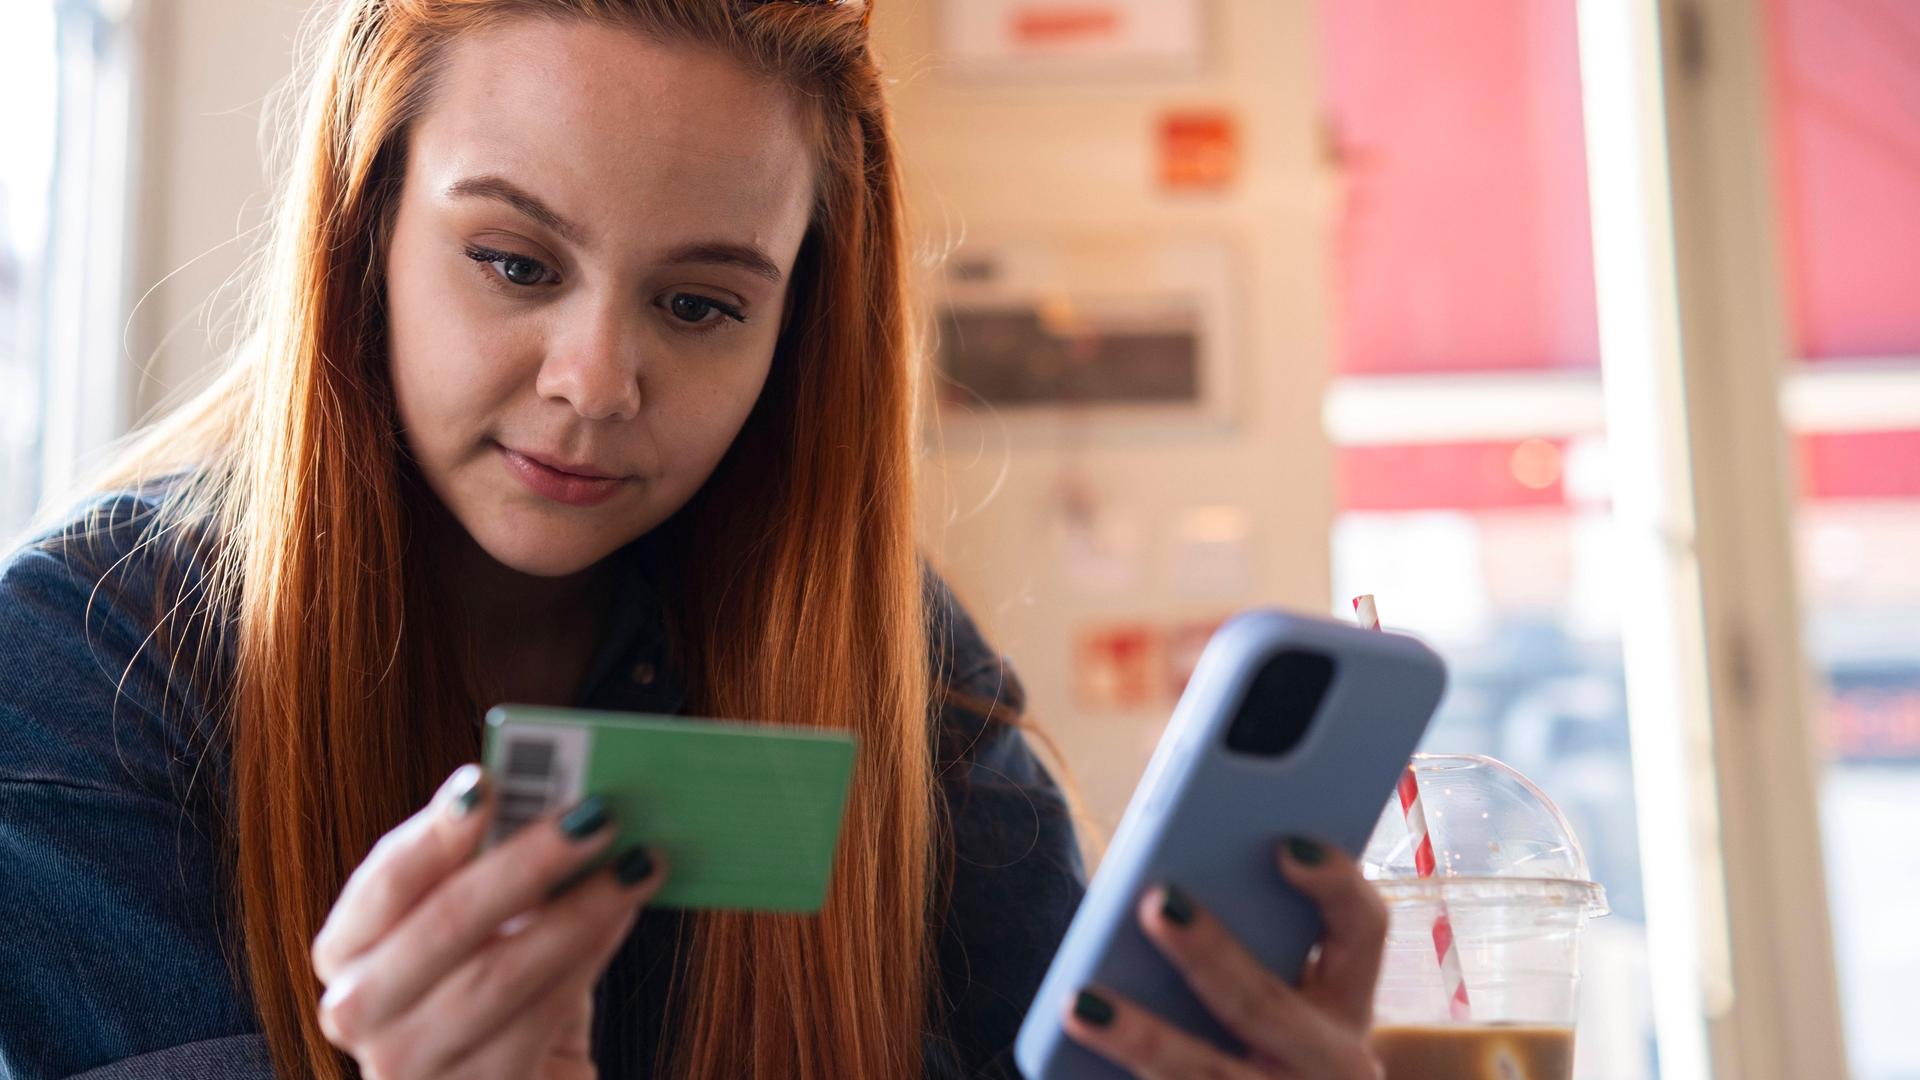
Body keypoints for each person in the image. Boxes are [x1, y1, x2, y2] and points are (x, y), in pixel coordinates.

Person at [0, 1, 1388, 1077]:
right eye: (516, 264)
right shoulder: (79, 674)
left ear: (797, 330)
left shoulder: (896, 668)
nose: (595, 383)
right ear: (363, 226)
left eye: (703, 307)